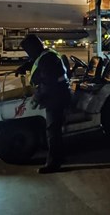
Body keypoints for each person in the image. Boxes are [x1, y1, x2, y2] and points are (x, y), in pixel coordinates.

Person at [18, 34, 71, 174]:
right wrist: (24, 67)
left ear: (34, 48)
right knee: (54, 130)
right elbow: (36, 62)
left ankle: (54, 164)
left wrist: (36, 98)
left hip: (56, 97)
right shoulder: (46, 55)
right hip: (58, 95)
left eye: (28, 50)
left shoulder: (47, 60)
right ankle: (59, 157)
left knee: (53, 132)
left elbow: (49, 83)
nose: (28, 54)